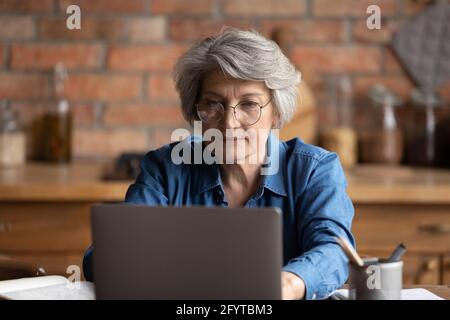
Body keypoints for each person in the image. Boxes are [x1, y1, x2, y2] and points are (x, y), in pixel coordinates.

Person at [83, 28, 355, 300]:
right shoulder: (165, 169)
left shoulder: (314, 170)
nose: (229, 123)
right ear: (196, 111)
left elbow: (334, 252)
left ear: (276, 113)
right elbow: (105, 258)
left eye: (249, 104)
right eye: (214, 104)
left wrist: (288, 285)